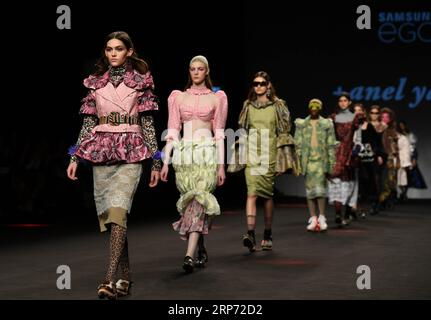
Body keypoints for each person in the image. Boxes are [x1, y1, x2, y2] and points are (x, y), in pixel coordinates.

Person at [66, 31, 161, 299]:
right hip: (101, 152)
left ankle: (108, 279)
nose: (113, 53)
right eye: (109, 49)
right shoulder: (95, 83)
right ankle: (126, 276)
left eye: (119, 49)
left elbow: (148, 126)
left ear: (129, 51)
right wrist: (74, 156)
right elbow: (86, 125)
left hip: (131, 150)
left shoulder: (141, 83)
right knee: (113, 219)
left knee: (119, 211)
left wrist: (156, 161)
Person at [160, 55, 228, 273]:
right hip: (185, 156)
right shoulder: (178, 97)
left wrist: (220, 165)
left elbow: (219, 134)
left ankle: (188, 255)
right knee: (191, 204)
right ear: (189, 71)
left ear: (206, 71)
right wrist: (165, 162)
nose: (196, 72)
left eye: (200, 69)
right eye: (192, 69)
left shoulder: (217, 98)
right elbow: (172, 131)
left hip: (206, 154)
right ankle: (200, 248)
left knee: (199, 200)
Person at [234, 71, 298, 251]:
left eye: (262, 83)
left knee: (267, 195)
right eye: (255, 83)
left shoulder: (278, 106)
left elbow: (284, 132)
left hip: (269, 154)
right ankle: (251, 233)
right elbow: (243, 130)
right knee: (251, 193)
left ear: (268, 85)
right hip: (253, 154)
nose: (259, 86)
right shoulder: (248, 106)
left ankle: (268, 233)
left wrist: (282, 160)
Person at [294, 99, 336, 232]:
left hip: (321, 161)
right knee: (310, 191)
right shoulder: (302, 124)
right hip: (308, 161)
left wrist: (331, 164)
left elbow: (331, 145)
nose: (314, 108)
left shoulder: (326, 124)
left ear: (320, 108)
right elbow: (298, 145)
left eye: (316, 106)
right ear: (308, 108)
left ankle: (322, 217)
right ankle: (313, 218)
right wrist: (298, 163)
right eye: (312, 106)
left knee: (320, 190)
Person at [328, 92, 363, 227]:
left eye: (345, 100)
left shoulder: (356, 118)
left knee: (348, 186)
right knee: (336, 184)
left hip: (349, 154)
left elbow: (358, 139)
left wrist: (355, 152)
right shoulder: (333, 117)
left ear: (349, 102)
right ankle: (338, 214)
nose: (342, 103)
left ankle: (344, 213)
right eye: (340, 100)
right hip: (336, 153)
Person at [398, 120, 427, 198]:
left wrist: (414, 158)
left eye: (402, 125)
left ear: (405, 126)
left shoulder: (410, 135)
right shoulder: (397, 135)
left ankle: (404, 193)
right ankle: (402, 192)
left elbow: (413, 148)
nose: (401, 127)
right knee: (399, 175)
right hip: (399, 156)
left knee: (408, 176)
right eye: (400, 125)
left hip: (408, 156)